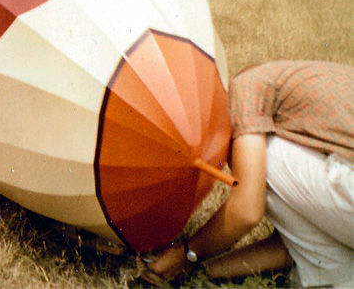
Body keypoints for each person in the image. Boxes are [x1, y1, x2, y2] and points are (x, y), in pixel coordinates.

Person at [141, 61, 354, 287]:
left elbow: (247, 211)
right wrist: (197, 269)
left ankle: (338, 275)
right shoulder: (287, 92)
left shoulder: (245, 89)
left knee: (265, 155)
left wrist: (189, 252)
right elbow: (290, 245)